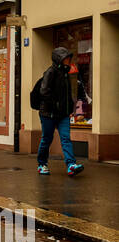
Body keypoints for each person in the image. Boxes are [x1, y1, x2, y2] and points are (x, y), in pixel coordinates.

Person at [35, 47, 84, 176]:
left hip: (63, 114)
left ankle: (71, 165)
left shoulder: (67, 73)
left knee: (66, 138)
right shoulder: (50, 72)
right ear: (59, 59)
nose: (68, 60)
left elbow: (68, 94)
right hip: (48, 113)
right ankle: (42, 164)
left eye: (68, 58)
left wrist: (70, 109)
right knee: (47, 139)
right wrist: (55, 104)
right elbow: (44, 92)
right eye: (66, 58)